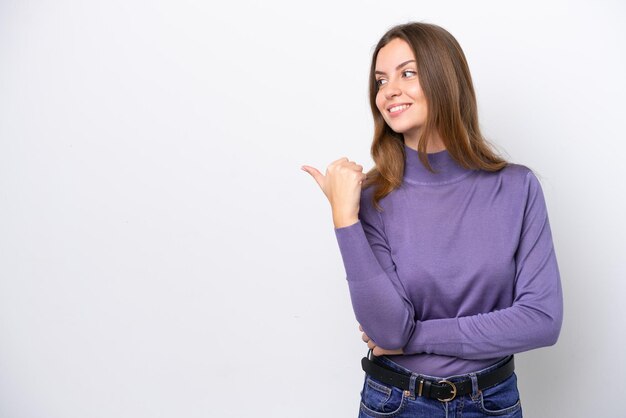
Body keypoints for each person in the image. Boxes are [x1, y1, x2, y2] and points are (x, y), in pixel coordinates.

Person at [301, 22, 563, 418]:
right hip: (395, 403)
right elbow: (387, 330)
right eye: (380, 80)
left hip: (492, 403)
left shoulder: (516, 188)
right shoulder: (370, 197)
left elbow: (541, 320)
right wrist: (344, 218)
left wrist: (416, 336)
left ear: (445, 79)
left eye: (407, 73)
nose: (388, 91)